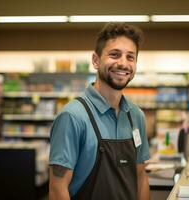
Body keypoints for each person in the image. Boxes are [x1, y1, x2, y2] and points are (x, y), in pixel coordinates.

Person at [49, 22, 150, 200]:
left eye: (130, 57)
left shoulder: (136, 116)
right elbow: (58, 190)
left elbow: (141, 178)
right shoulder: (72, 116)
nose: (123, 63)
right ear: (96, 60)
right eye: (114, 54)